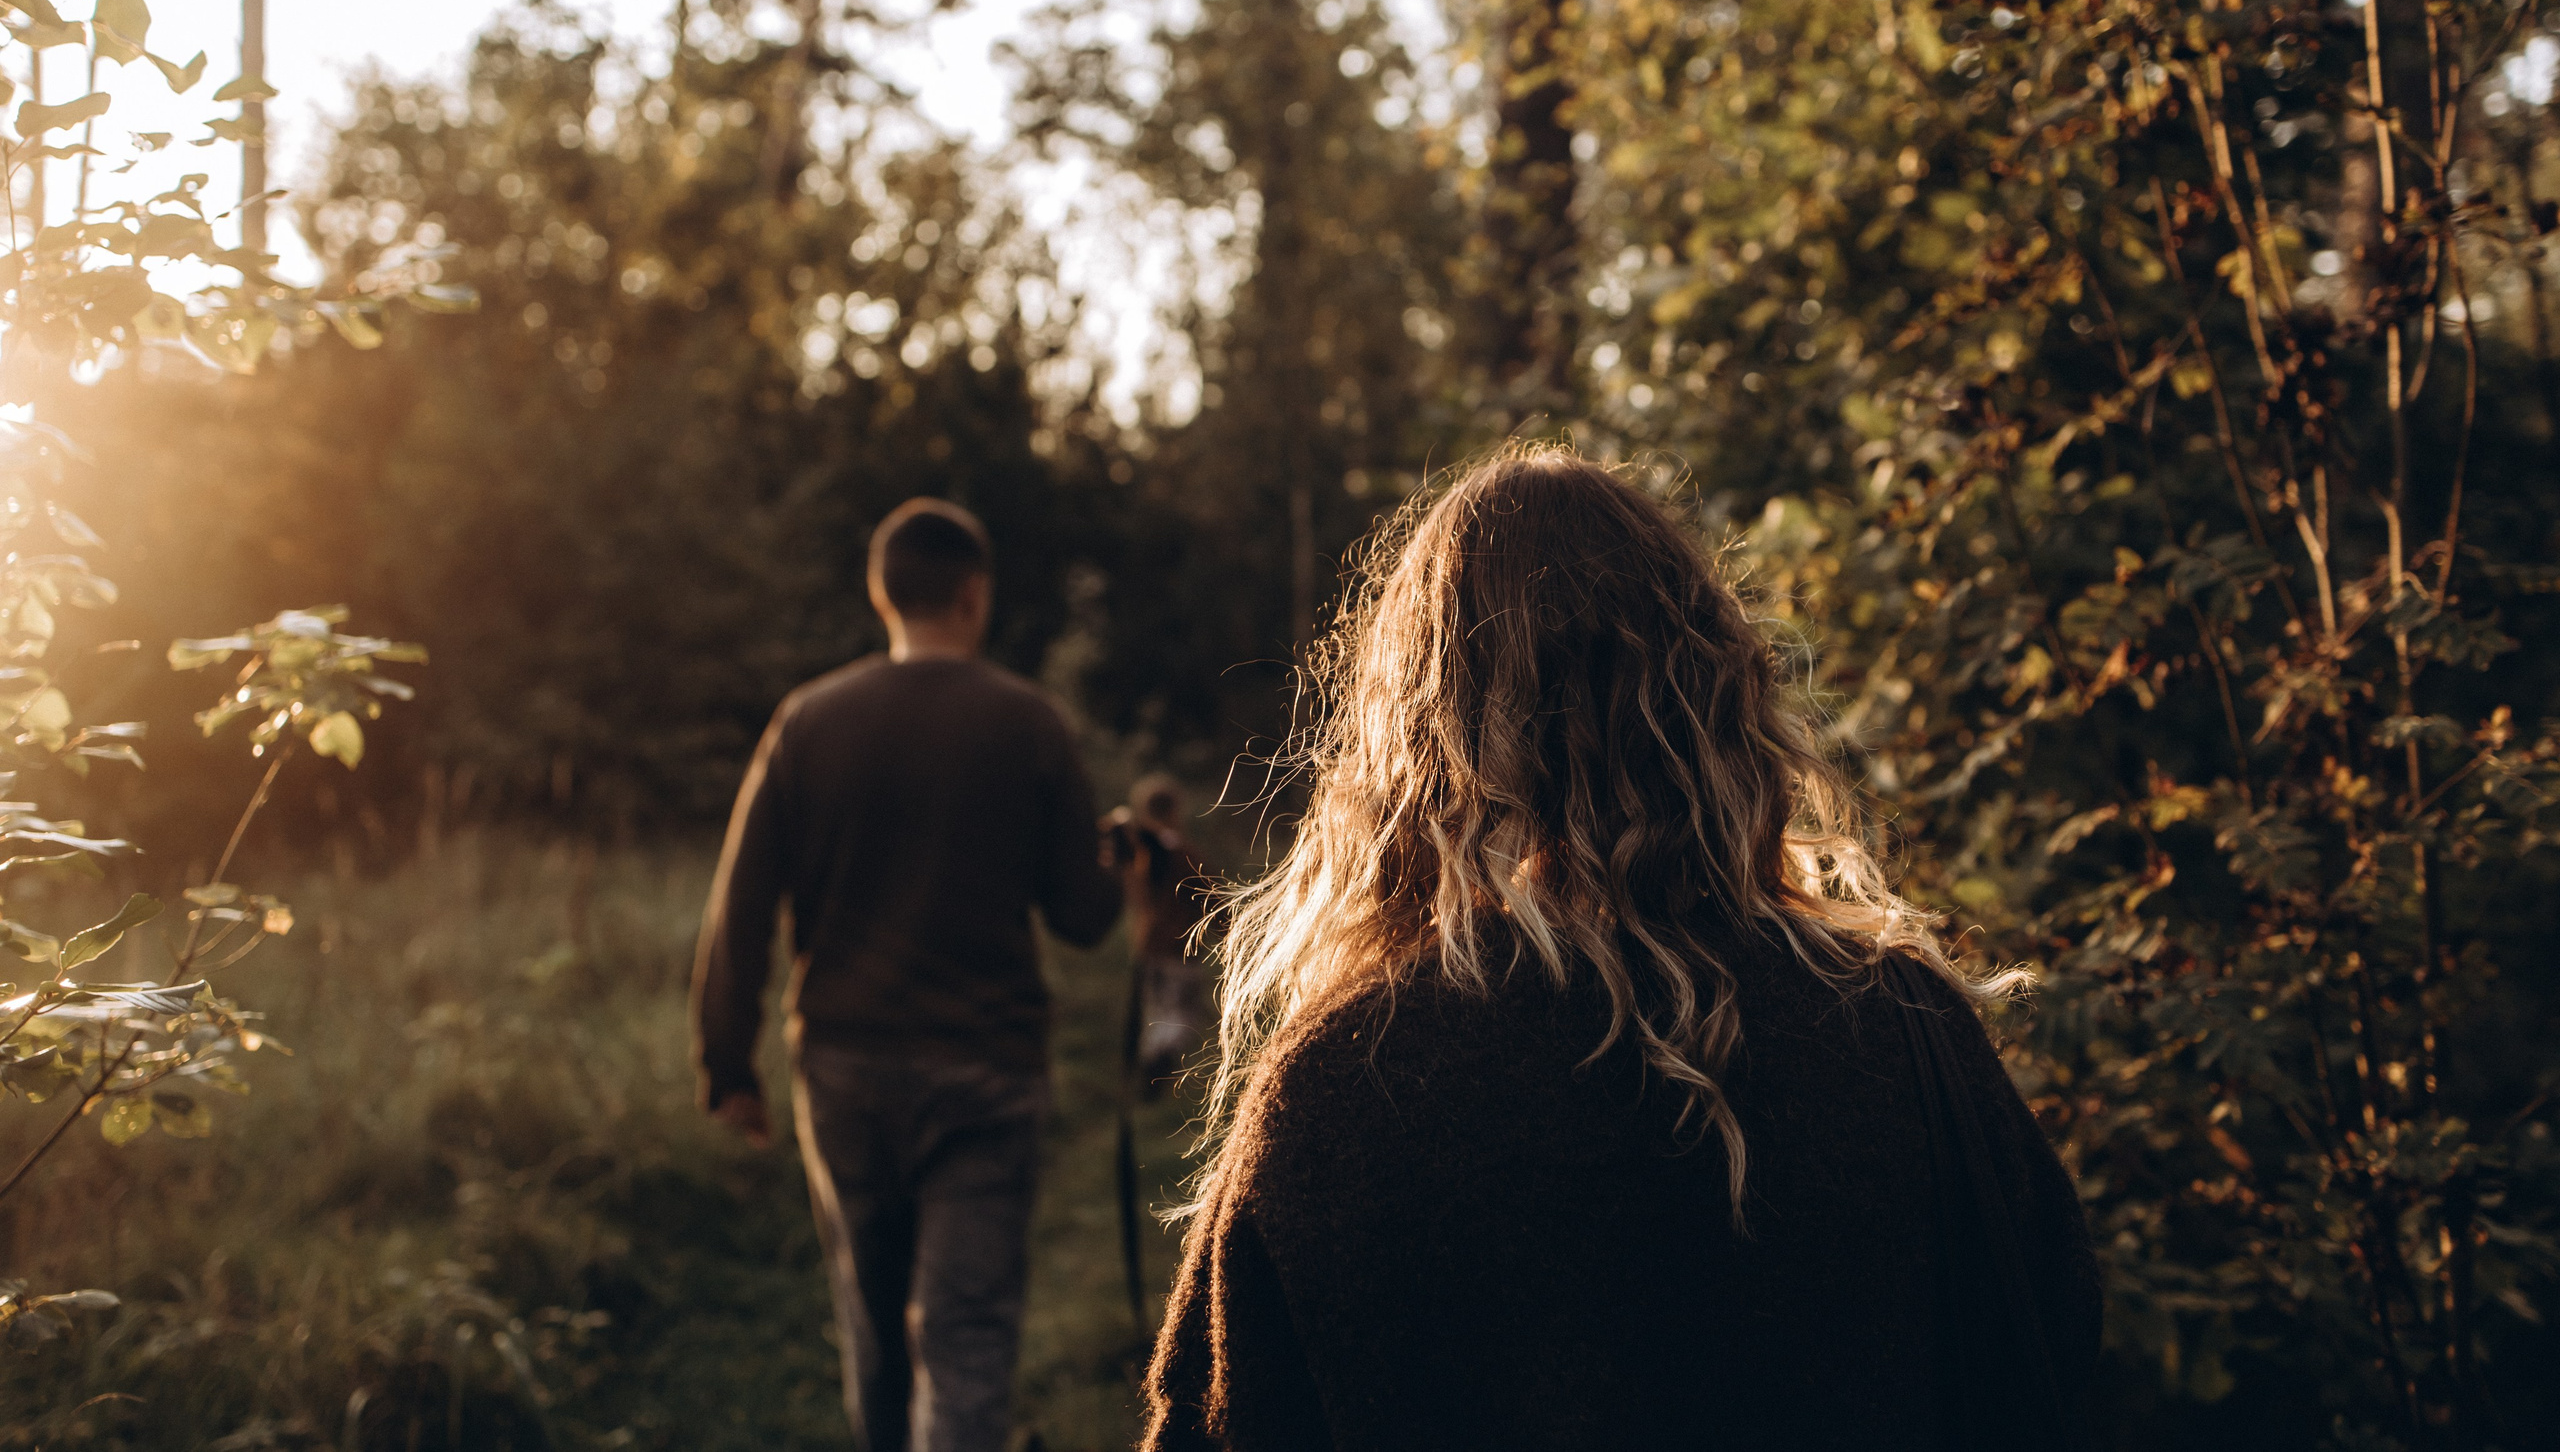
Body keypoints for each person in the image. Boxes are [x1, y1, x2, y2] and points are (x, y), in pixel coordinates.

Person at [1143, 450, 2101, 1452]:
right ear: (1715, 694)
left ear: (1418, 742)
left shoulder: (1347, 1089)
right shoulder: (1905, 1031)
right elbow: (2053, 1352)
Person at [691, 497, 1120, 1452]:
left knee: (876, 1332)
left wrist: (728, 1063)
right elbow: (1083, 919)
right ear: (975, 596)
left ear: (882, 595)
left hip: (844, 1070)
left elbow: (743, 906)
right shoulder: (1030, 725)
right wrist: (1121, 873)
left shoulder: (806, 723)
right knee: (965, 1342)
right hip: (987, 1075)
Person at [1105, 773, 1217, 1092]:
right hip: (1179, 946)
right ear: (1175, 809)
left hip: (1147, 945)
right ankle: (1157, 1070)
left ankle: (1150, 1072)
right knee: (1180, 1015)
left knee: (1158, 1012)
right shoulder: (1182, 853)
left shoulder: (1139, 852)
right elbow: (1211, 898)